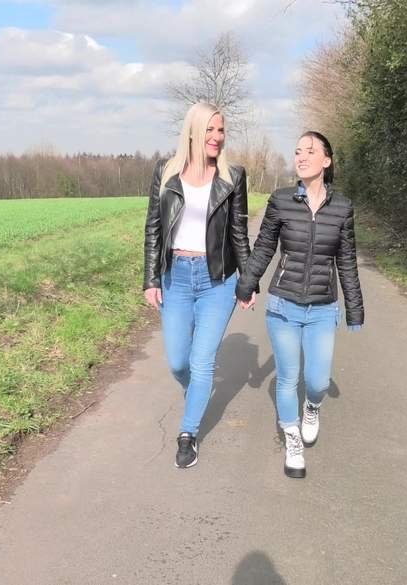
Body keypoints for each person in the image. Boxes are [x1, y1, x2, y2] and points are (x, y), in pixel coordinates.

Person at [235, 131, 364, 478]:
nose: (301, 157)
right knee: (288, 377)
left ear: (327, 160)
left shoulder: (342, 207)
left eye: (310, 151)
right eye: (297, 152)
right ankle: (292, 440)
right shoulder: (281, 200)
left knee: (318, 382)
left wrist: (355, 308)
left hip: (323, 308)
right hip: (283, 306)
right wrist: (246, 285)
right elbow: (264, 247)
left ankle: (312, 407)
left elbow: (347, 261)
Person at [143, 102, 254, 468]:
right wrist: (151, 279)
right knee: (179, 363)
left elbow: (239, 232)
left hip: (216, 280)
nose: (217, 137)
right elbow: (153, 228)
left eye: (221, 130)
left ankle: (187, 434)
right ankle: (196, 394)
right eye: (210, 129)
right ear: (193, 131)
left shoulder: (232, 176)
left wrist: (248, 280)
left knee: (202, 361)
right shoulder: (165, 171)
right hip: (175, 276)